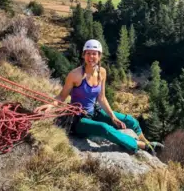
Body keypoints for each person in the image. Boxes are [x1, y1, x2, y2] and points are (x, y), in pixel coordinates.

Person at [34, 39, 164, 156]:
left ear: (99, 56)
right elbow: (62, 96)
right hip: (79, 120)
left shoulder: (102, 72)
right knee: (104, 128)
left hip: (94, 111)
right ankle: (144, 146)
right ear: (83, 55)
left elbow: (101, 98)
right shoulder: (75, 75)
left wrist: (113, 117)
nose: (91, 57)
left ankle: (146, 141)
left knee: (130, 121)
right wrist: (51, 105)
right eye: (88, 53)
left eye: (94, 53)